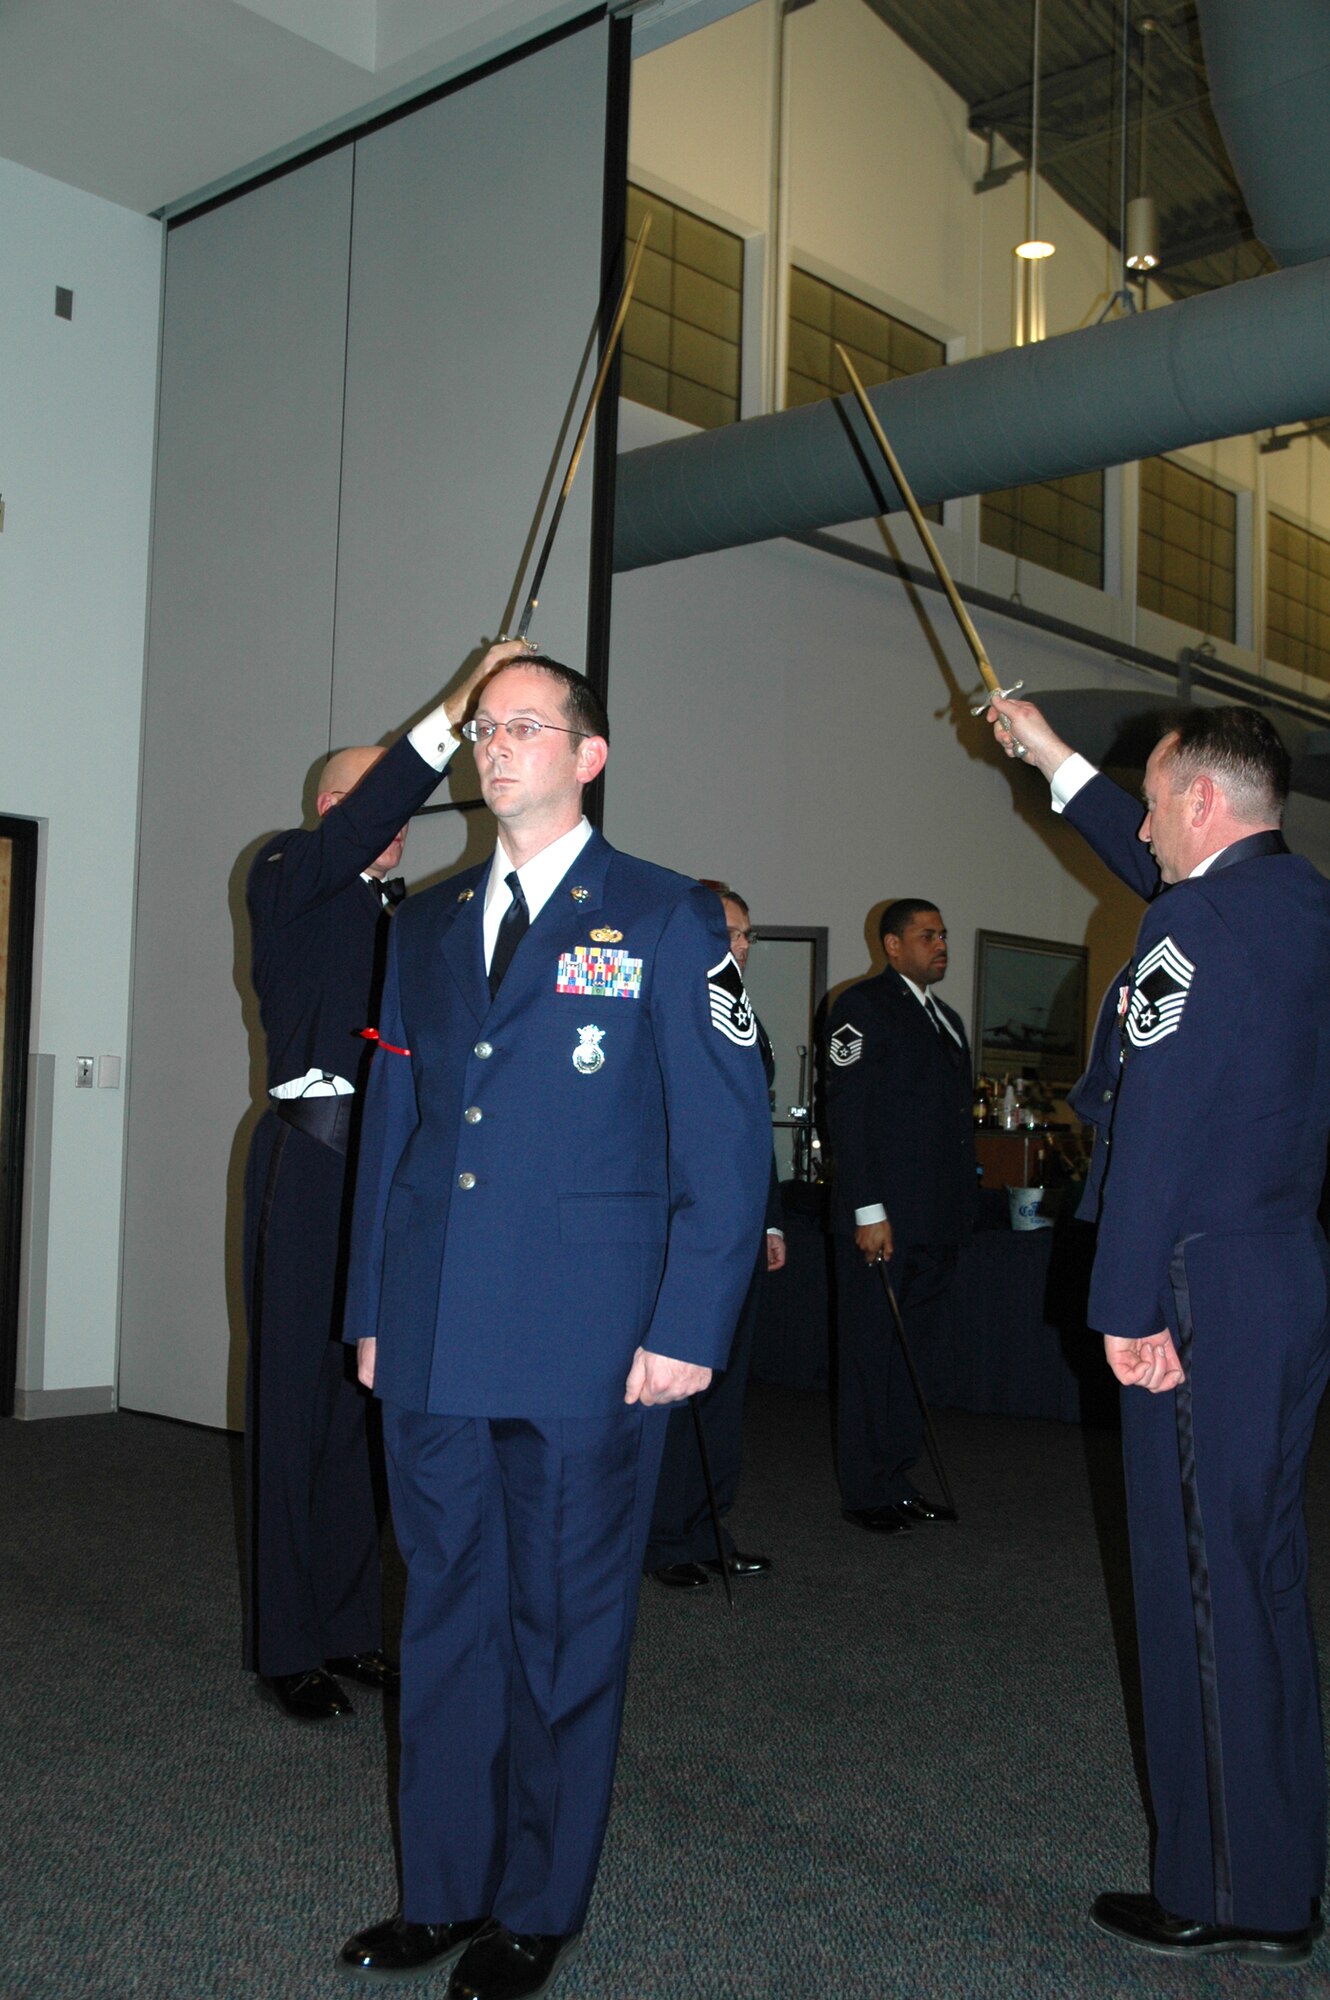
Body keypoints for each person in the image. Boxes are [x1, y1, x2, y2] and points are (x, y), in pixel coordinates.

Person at [337, 654, 771, 1998]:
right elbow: (396, 1134)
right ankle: (441, 1890)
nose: (496, 743)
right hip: (432, 1330)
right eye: (485, 725)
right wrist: (369, 1310)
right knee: (444, 1617)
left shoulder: (665, 915)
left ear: (588, 755)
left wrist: (689, 1322)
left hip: (591, 1340)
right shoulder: (422, 924)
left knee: (565, 1627)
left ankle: (536, 1902)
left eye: (526, 724)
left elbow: (725, 1130)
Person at [988, 692, 1330, 1969]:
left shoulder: (1197, 927)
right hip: (1280, 1269)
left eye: (1151, 795)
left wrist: (1121, 1308)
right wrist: (1051, 757)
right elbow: (1168, 869)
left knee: (1201, 1593)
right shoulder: (1295, 905)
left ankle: (1230, 1891)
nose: (1137, 822)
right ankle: (1276, 1865)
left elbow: (1159, 1135)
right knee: (1256, 1576)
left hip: (1193, 1285)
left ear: (1199, 801)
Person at [242, 638, 527, 1723]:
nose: (396, 818)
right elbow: (365, 820)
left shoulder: (416, 922)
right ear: (328, 808)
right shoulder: (288, 873)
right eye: (371, 800)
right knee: (293, 1406)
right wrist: (457, 708)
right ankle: (286, 1643)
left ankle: (353, 1624)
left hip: (394, 1175)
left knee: (374, 1402)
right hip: (310, 1165)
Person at [645, 887, 786, 1590]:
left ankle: (707, 1524)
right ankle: (667, 1536)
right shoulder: (671, 1006)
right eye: (728, 932)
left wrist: (767, 1217)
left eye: (748, 935)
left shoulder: (745, 1019)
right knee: (675, 1386)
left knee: (725, 1388)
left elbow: (749, 1134)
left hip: (738, 1230)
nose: (740, 946)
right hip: (686, 1232)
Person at [821, 901, 975, 1534]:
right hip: (881, 1221)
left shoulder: (948, 1018)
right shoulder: (861, 1008)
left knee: (914, 1356)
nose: (940, 944)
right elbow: (847, 1113)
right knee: (870, 1352)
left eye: (943, 933)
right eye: (926, 935)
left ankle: (898, 1477)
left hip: (935, 1220)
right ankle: (865, 1490)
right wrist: (867, 1207)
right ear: (891, 945)